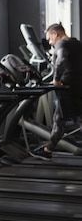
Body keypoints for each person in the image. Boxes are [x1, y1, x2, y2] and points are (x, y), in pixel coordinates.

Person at [32, 23, 82, 160]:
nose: (50, 42)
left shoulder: (62, 44)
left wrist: (56, 79)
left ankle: (47, 150)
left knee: (76, 120)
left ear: (55, 34)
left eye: (50, 38)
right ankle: (47, 150)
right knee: (59, 119)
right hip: (77, 85)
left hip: (67, 87)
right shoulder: (76, 43)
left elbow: (61, 60)